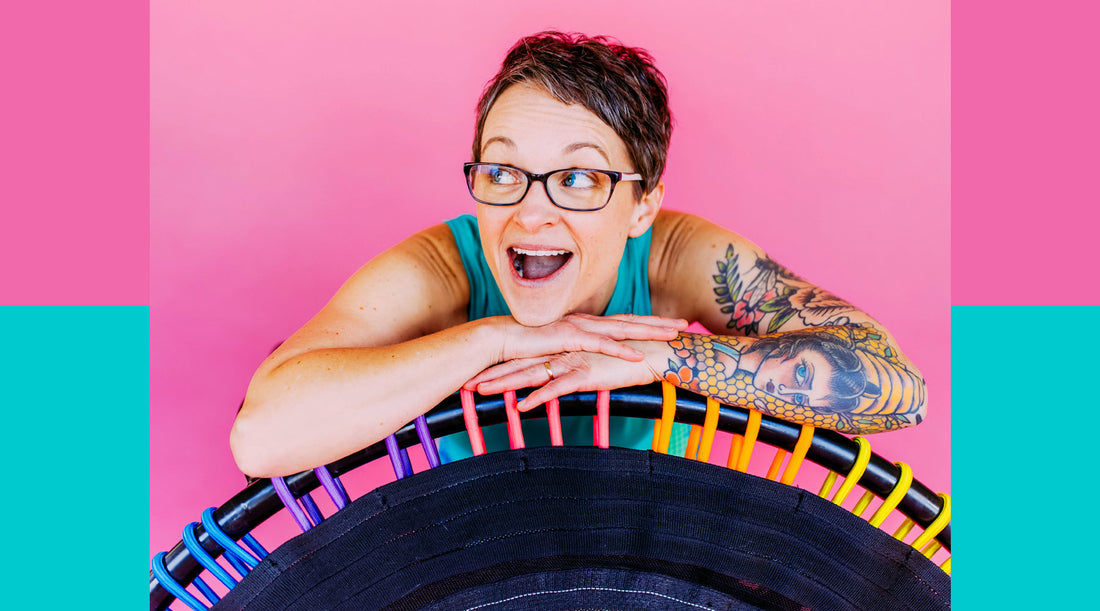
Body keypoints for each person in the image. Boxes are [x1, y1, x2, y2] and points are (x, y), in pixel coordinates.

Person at [230, 31, 926, 478]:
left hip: (643, 566)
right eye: (501, 172)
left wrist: (663, 357)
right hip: (476, 564)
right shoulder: (441, 268)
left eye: (580, 179)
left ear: (643, 204)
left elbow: (899, 389)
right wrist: (496, 339)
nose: (530, 212)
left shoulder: (675, 256)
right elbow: (261, 439)